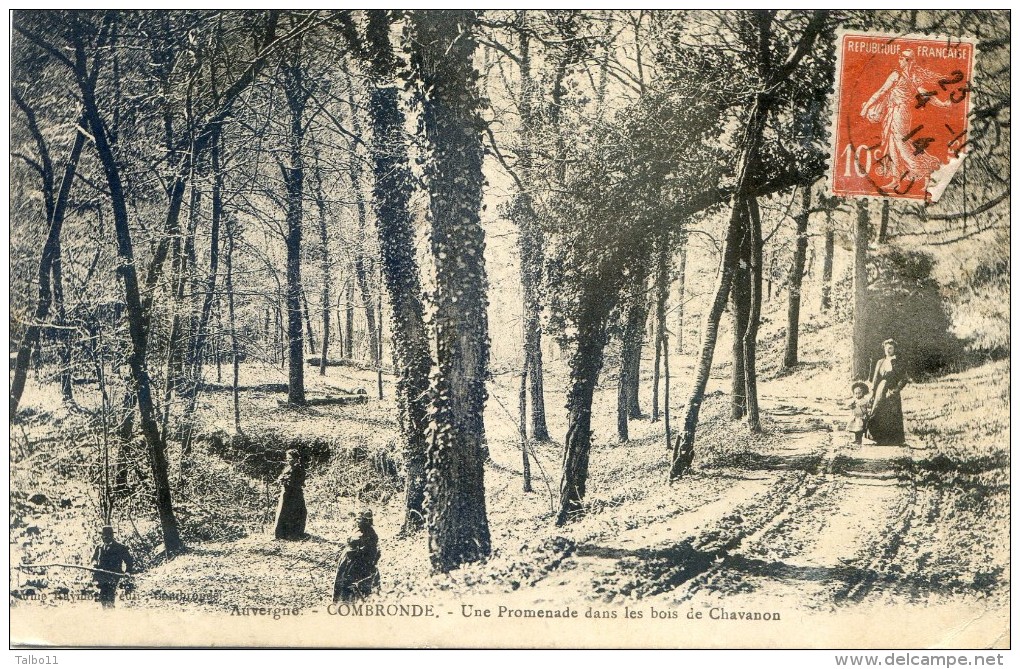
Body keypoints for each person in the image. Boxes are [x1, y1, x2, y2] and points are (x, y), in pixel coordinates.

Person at [860, 49, 951, 191]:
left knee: (902, 146)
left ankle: (926, 171)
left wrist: (866, 108)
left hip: (899, 113)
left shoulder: (898, 75)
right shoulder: (912, 76)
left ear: (907, 60)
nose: (899, 60)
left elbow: (882, 91)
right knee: (892, 145)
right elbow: (927, 95)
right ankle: (896, 179)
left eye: (902, 58)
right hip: (894, 112)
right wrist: (943, 104)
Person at [333, 508, 380, 603]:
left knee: (356, 588)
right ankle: (340, 603)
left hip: (360, 565)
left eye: (359, 519)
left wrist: (357, 551)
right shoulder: (358, 530)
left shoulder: (371, 534)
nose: (357, 521)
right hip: (348, 562)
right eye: (357, 519)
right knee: (342, 584)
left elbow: (372, 553)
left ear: (366, 521)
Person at [868, 338, 909, 445]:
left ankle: (894, 440)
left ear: (894, 349)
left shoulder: (898, 362)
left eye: (890, 348)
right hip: (880, 389)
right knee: (878, 411)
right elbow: (875, 378)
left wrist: (896, 389)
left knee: (893, 413)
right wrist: (872, 392)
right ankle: (879, 438)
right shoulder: (880, 362)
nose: (888, 350)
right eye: (886, 348)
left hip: (893, 389)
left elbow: (904, 378)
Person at [91, 525, 133, 608]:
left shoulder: (120, 548)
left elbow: (129, 561)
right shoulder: (99, 547)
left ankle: (111, 614)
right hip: (101, 575)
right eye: (104, 536)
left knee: (110, 595)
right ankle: (105, 614)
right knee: (102, 596)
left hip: (114, 575)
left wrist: (128, 572)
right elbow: (94, 559)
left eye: (108, 536)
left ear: (112, 536)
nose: (105, 538)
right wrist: (94, 564)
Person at [273, 449, 307, 540]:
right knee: (283, 512)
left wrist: (286, 480)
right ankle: (281, 534)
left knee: (296, 513)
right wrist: (281, 479)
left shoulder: (299, 468)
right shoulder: (288, 467)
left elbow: (299, 481)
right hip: (287, 493)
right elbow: (282, 477)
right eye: (287, 458)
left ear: (296, 458)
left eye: (290, 458)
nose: (288, 460)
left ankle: (294, 534)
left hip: (295, 494)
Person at [846, 380, 873, 445]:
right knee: (855, 428)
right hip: (855, 416)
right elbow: (849, 406)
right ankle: (856, 439)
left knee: (859, 429)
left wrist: (869, 406)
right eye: (856, 393)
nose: (858, 395)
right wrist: (851, 405)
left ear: (863, 393)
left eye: (859, 393)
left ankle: (859, 440)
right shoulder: (854, 400)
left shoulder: (864, 400)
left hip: (861, 416)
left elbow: (868, 406)